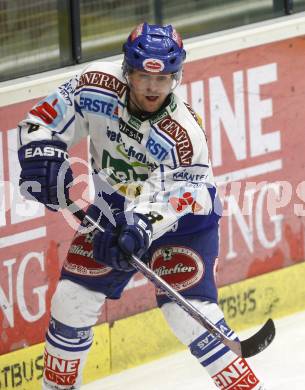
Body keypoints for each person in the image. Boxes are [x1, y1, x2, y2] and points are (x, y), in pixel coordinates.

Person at [17, 22, 266, 390]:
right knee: (70, 300)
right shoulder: (93, 86)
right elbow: (41, 121)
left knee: (188, 315)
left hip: (184, 221)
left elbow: (186, 193)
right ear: (127, 71)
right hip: (113, 206)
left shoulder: (183, 134)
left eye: (163, 78)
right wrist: (43, 155)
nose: (152, 87)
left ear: (175, 77)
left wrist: (140, 225)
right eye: (142, 76)